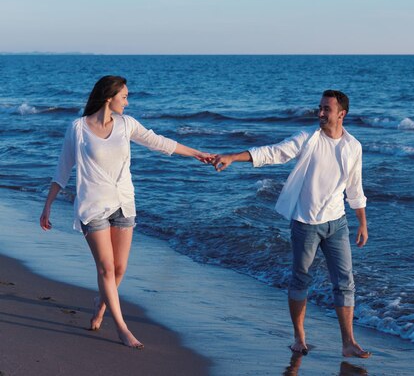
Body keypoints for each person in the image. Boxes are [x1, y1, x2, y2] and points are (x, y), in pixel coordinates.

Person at [39, 75, 214, 349]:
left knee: (119, 269)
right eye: (124, 96)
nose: (127, 101)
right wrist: (48, 204)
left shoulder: (126, 124)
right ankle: (122, 328)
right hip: (93, 206)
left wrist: (197, 153)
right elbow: (63, 168)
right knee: (106, 268)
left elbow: (160, 142)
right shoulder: (77, 129)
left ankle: (100, 304)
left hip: (123, 204)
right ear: (109, 96)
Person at [213, 90, 371, 358]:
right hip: (305, 223)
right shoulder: (308, 139)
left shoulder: (353, 146)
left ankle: (348, 343)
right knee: (301, 279)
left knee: (345, 282)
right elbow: (274, 152)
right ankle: (299, 337)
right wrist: (232, 156)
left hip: (337, 223)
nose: (320, 113)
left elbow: (355, 188)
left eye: (326, 109)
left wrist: (362, 223)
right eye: (319, 108)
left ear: (341, 114)